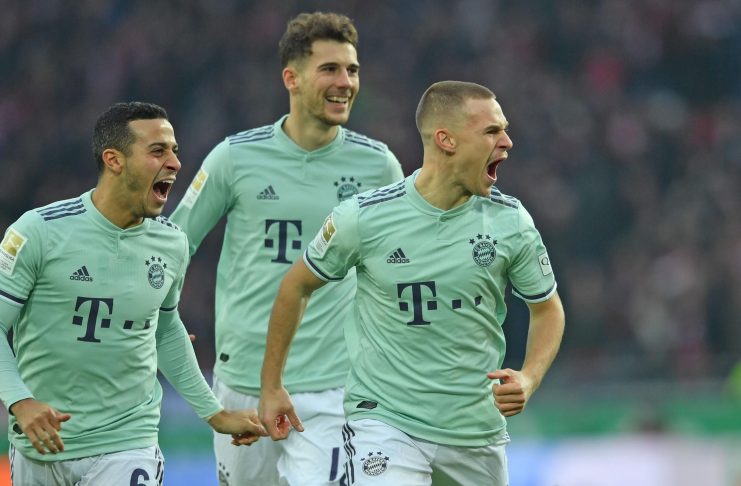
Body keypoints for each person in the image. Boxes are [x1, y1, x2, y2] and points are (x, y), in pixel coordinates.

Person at [259, 80, 566, 485]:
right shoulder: (364, 218)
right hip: (384, 422)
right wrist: (272, 385)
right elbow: (296, 285)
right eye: (492, 131)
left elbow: (547, 309)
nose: (507, 142)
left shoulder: (511, 222)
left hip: (475, 432)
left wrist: (529, 376)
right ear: (446, 140)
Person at [169, 11, 404, 486]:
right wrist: (159, 318)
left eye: (352, 70)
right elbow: (173, 244)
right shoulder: (235, 158)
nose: (345, 83)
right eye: (330, 69)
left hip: (333, 386)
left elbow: (403, 267)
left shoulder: (378, 167)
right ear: (291, 79)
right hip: (243, 381)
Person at [0, 102, 267, 486]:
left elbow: (165, 329)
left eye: (175, 151)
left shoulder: (172, 243)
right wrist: (20, 400)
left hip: (127, 442)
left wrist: (215, 413)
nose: (175, 163)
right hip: (40, 445)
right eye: (158, 151)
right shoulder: (39, 232)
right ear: (114, 160)